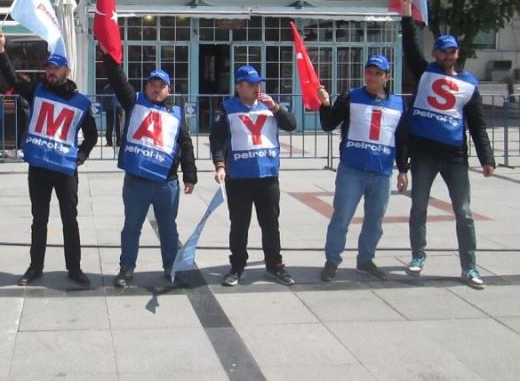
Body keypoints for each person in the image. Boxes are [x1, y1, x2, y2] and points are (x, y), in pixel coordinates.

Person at [400, 0, 495, 289]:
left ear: (457, 54)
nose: (447, 55)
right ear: (436, 54)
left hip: (454, 155)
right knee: (418, 206)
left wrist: (487, 158)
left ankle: (469, 266)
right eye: (442, 51)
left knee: (464, 212)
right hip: (424, 154)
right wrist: (406, 14)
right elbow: (410, 47)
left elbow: (477, 124)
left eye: (452, 51)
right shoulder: (425, 71)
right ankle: (418, 255)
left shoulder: (468, 84)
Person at [0, 29, 97, 287]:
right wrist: (0, 51)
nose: (51, 72)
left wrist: (79, 157)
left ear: (67, 72)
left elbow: (92, 136)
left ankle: (74, 267)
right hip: (39, 167)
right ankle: (35, 267)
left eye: (56, 68)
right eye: (49, 67)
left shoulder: (80, 102)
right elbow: (13, 79)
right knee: (39, 219)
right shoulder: (37, 90)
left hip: (64, 170)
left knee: (69, 219)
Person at [100, 47, 197, 288]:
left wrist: (190, 175)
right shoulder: (134, 104)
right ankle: (127, 267)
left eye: (161, 85)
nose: (156, 88)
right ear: (145, 87)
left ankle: (171, 266)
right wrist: (108, 55)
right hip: (137, 180)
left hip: (167, 182)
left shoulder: (175, 114)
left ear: (168, 90)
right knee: (132, 226)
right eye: (152, 84)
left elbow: (185, 145)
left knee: (168, 229)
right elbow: (118, 80)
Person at [318, 55, 409, 282]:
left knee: (375, 220)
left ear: (387, 76)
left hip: (381, 171)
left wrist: (404, 169)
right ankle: (332, 261)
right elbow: (329, 124)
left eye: (378, 73)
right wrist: (325, 104)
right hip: (352, 169)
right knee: (342, 217)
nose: (372, 77)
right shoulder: (351, 96)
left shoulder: (398, 104)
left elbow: (402, 138)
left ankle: (366, 259)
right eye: (369, 72)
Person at [210, 65, 297, 287]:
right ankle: (237, 266)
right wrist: (220, 164)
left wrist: (276, 108)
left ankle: (275, 265)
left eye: (258, 82)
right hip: (238, 177)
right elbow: (217, 139)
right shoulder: (227, 107)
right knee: (239, 224)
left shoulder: (269, 106)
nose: (257, 87)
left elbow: (291, 125)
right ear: (239, 86)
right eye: (251, 84)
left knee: (270, 223)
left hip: (267, 175)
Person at [102, 81, 123, 147]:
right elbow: (104, 98)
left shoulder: (119, 87)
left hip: (115, 109)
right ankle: (112, 142)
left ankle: (114, 142)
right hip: (111, 109)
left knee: (115, 126)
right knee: (112, 126)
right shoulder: (109, 88)